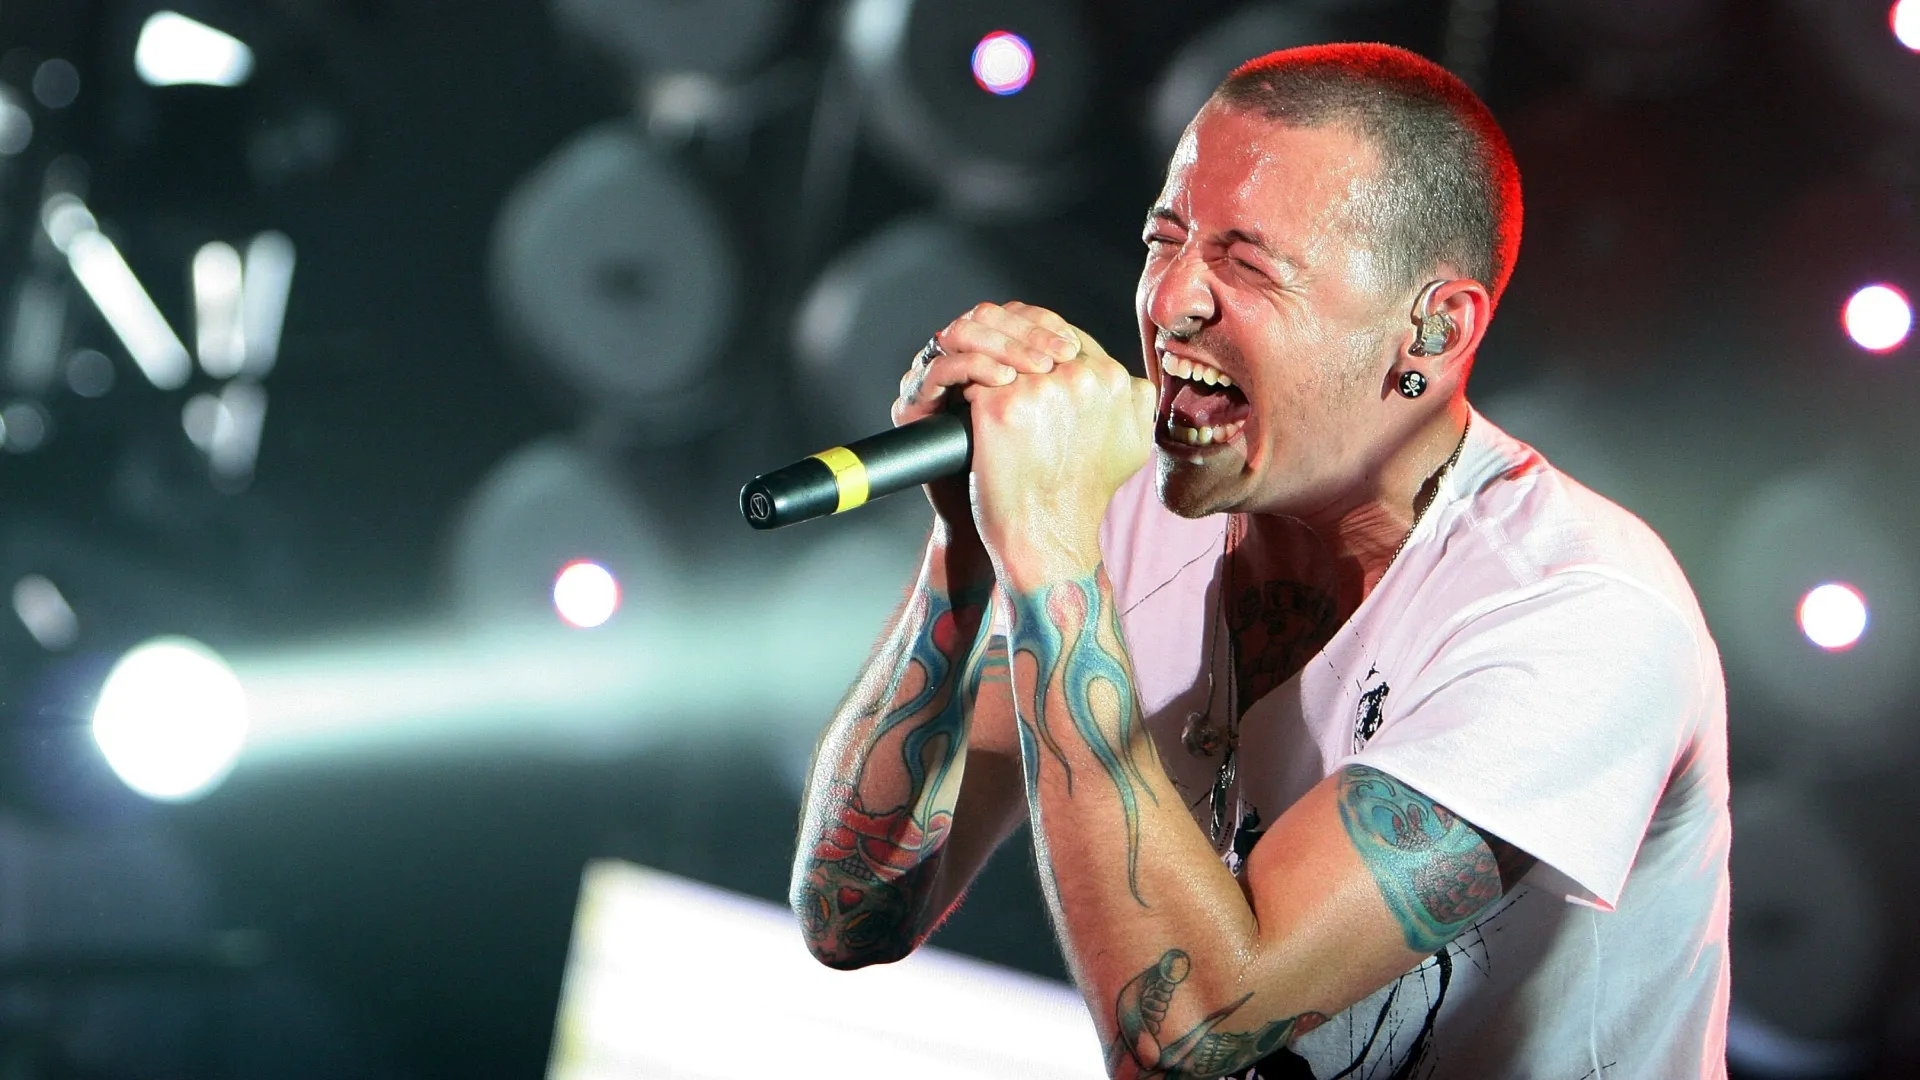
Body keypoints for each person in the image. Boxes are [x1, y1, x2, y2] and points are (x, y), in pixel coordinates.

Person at [789, 42, 1729, 1079]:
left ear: (1431, 329)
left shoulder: (1578, 610)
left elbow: (1189, 1034)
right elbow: (852, 913)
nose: (1171, 300)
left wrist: (1053, 554)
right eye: (1165, 238)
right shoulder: (1116, 496)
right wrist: (967, 539)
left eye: (1245, 262)